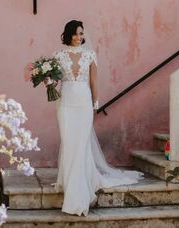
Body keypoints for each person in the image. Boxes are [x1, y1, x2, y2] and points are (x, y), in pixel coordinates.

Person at [45, 20, 143, 216]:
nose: (79, 37)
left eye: (81, 34)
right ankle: (68, 181)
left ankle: (77, 194)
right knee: (69, 143)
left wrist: (95, 104)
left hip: (83, 104)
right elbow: (55, 81)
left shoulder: (90, 54)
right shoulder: (57, 55)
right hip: (65, 104)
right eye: (75, 33)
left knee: (80, 145)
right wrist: (47, 81)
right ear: (68, 34)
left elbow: (93, 82)